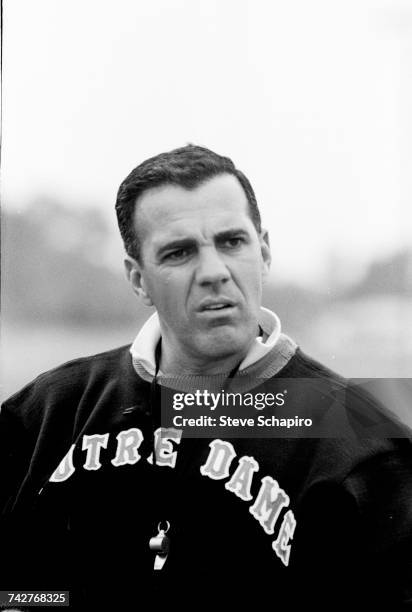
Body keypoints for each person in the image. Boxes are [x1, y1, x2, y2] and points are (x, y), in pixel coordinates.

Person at [1, 145, 411, 610]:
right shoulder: (47, 412)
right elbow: (13, 596)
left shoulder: (364, 450)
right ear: (138, 280)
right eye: (179, 253)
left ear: (265, 252)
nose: (214, 272)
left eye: (233, 242)